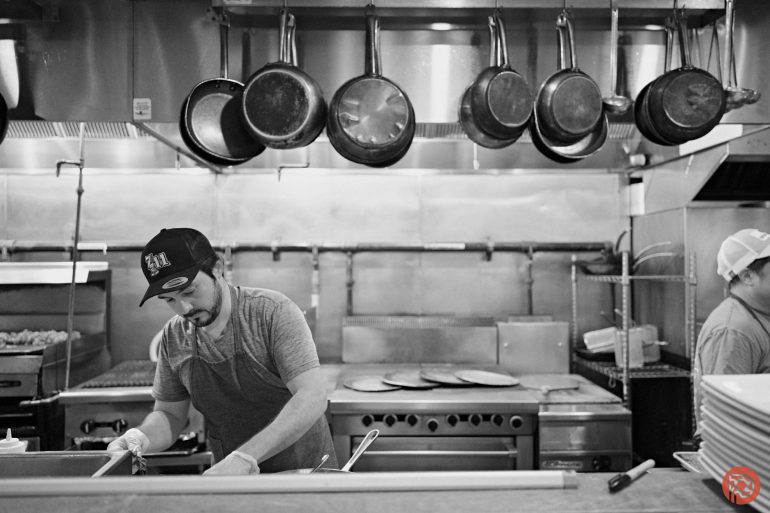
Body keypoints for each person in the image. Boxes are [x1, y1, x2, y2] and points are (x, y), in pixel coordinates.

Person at [108, 227, 337, 475]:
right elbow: (170, 415)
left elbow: (312, 396)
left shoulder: (272, 313)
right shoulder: (174, 336)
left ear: (217, 268)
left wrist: (245, 457)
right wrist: (141, 437)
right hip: (232, 483)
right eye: (169, 300)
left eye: (189, 291)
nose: (184, 308)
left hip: (305, 476)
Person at [693, 228, 770, 436]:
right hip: (746, 459)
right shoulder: (733, 330)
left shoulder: (759, 314)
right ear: (747, 276)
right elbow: (724, 416)